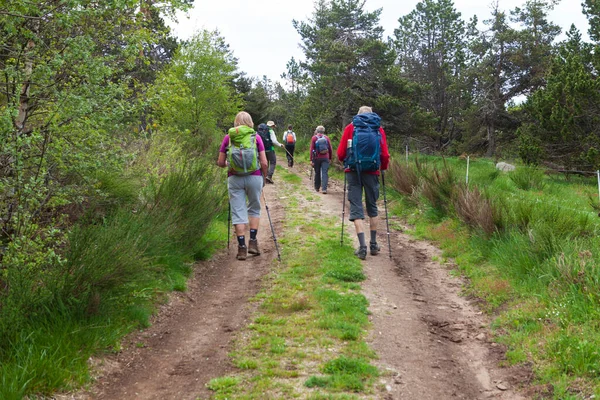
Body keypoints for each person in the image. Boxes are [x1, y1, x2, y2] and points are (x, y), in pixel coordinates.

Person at [336, 106, 390, 260]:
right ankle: (373, 244)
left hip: (353, 171)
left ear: (358, 115)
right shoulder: (378, 129)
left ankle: (362, 247)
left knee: (356, 207)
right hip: (372, 172)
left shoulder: (351, 128)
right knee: (372, 207)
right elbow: (385, 154)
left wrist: (346, 162)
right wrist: (382, 168)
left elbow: (341, 153)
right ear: (371, 115)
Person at [217, 111, 268, 261]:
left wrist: (229, 164)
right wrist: (263, 177)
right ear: (250, 122)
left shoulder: (228, 138)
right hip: (254, 176)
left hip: (234, 178)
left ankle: (241, 248)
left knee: (238, 211)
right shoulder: (256, 137)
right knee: (254, 208)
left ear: (236, 123)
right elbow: (264, 162)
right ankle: (252, 241)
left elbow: (220, 162)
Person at [309, 125, 332, 194]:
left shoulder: (314, 138)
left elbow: (311, 149)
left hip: (317, 158)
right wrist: (330, 158)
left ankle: (317, 187)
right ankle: (324, 189)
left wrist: (311, 159)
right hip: (325, 158)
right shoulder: (326, 138)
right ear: (323, 131)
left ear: (317, 131)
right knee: (325, 173)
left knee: (317, 172)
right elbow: (330, 149)